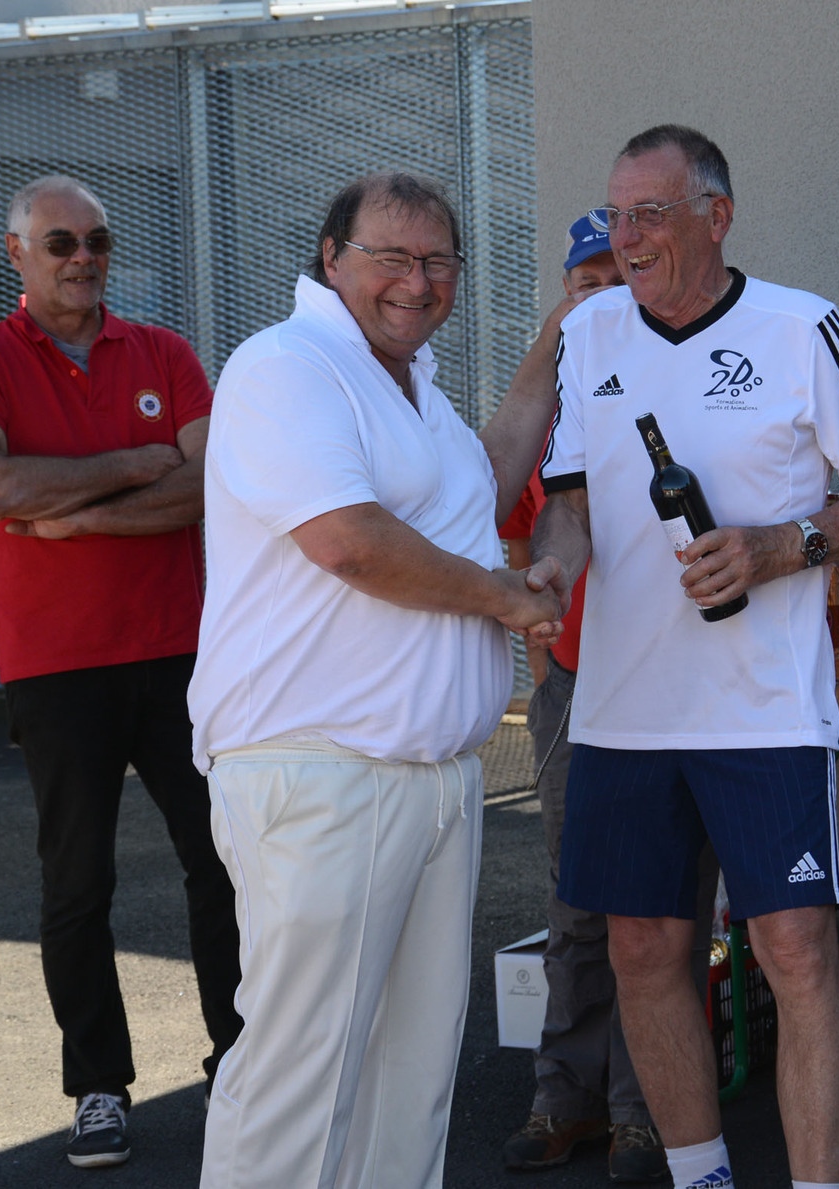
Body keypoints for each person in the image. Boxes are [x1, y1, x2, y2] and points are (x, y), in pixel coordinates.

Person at [529, 125, 839, 1189]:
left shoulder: (802, 327)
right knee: (641, 952)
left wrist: (779, 547)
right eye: (616, 215)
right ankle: (701, 1177)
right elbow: (568, 503)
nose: (627, 237)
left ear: (717, 215)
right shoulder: (590, 331)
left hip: (763, 713)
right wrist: (551, 569)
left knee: (794, 950)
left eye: (650, 214)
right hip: (621, 713)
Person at [186, 171, 566, 1189]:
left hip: (433, 780)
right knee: (300, 1081)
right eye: (390, 256)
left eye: (438, 260)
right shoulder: (288, 365)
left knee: (411, 1084)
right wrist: (502, 597)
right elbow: (349, 542)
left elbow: (481, 478)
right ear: (331, 258)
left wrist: (558, 335)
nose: (417, 280)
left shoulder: (412, 387)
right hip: (326, 776)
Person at [0, 175, 243, 1169]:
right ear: (17, 253)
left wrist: (76, 516)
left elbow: (213, 484)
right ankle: (99, 1086)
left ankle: (241, 1062)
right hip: (57, 666)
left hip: (181, 652)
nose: (84, 257)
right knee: (78, 884)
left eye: (97, 240)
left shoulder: (164, 352)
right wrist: (134, 461)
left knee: (226, 863)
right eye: (61, 242)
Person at [502, 215, 713, 1184]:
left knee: (663, 908)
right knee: (578, 900)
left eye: (614, 278)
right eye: (582, 282)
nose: (598, 295)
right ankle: (565, 1095)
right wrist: (546, 662)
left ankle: (644, 1111)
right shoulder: (554, 407)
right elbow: (516, 533)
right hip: (578, 683)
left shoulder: (685, 381)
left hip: (678, 682)